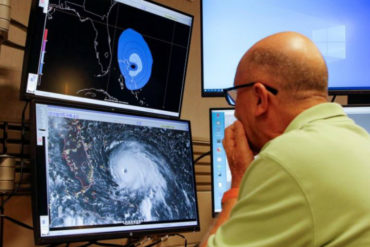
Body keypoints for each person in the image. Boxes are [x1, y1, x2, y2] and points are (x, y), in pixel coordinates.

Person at [202, 32, 370, 246]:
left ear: (260, 98)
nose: (235, 112)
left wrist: (238, 181)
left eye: (235, 96)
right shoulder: (360, 140)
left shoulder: (284, 159)